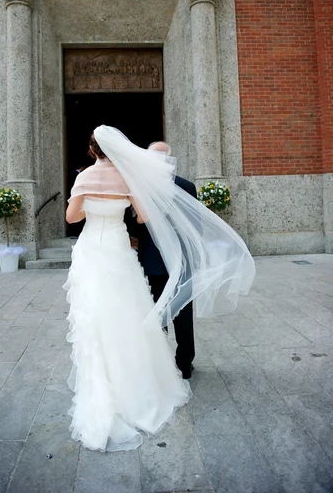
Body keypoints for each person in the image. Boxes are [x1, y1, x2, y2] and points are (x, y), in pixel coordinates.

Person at [64, 125, 255, 452]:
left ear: (91, 150)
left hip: (91, 251)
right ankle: (145, 376)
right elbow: (142, 216)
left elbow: (71, 217)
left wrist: (87, 205)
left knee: (94, 314)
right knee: (131, 311)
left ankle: (101, 382)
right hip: (117, 248)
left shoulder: (83, 178)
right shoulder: (127, 179)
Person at [127, 141, 196, 379]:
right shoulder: (187, 186)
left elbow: (132, 226)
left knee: (158, 312)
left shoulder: (140, 188)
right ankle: (185, 364)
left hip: (154, 260)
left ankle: (161, 365)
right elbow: (195, 226)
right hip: (182, 260)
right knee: (183, 312)